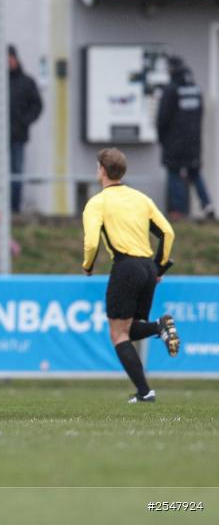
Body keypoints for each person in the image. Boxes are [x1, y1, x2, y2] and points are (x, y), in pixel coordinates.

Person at [82, 148, 180, 403]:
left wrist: (88, 265)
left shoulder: (97, 202)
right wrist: (158, 268)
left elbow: (91, 242)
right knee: (130, 329)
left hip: (126, 267)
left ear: (102, 171)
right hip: (147, 267)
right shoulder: (141, 198)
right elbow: (167, 233)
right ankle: (159, 330)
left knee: (118, 334)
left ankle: (145, 391)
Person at [0, 44, 42, 212]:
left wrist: (24, 121)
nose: (8, 61)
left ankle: (14, 209)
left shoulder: (26, 82)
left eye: (11, 58)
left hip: (17, 136)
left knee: (16, 173)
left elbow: (37, 105)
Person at [157, 56, 214, 219]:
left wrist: (162, 139)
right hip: (194, 141)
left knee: (174, 172)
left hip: (174, 141)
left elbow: (163, 118)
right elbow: (200, 114)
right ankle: (207, 205)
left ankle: (178, 210)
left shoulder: (171, 89)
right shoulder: (195, 89)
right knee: (194, 171)